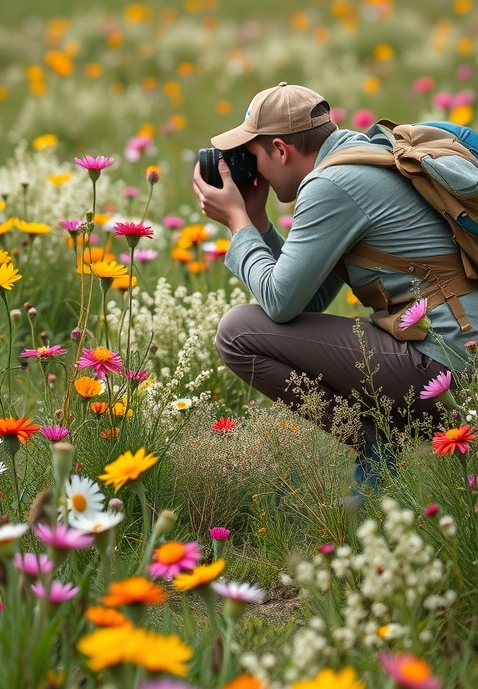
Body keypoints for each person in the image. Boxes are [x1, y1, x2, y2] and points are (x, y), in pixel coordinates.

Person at [192, 80, 478, 489]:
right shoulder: (366, 157)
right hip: (463, 353)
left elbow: (279, 303)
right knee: (250, 329)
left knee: (238, 333)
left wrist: (237, 223)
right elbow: (308, 301)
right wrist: (257, 222)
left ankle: (380, 443)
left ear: (280, 150)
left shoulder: (332, 185)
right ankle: (382, 452)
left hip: (451, 366)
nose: (252, 169)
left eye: (252, 154)